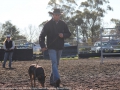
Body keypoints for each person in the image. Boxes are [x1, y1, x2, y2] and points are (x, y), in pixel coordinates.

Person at [39, 9, 71, 87]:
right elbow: (42, 36)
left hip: (60, 47)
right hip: (51, 47)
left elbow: (68, 34)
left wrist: (63, 35)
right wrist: (42, 45)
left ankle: (51, 80)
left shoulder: (63, 24)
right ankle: (57, 79)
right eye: (55, 15)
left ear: (60, 15)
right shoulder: (48, 24)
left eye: (58, 15)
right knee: (54, 62)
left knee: (56, 64)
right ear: (53, 15)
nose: (57, 16)